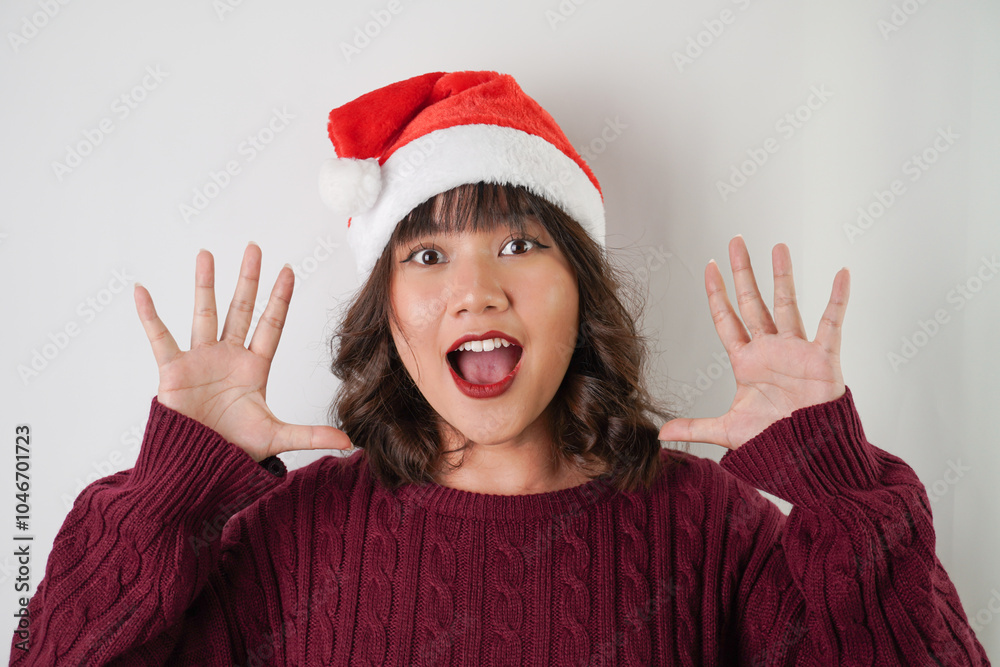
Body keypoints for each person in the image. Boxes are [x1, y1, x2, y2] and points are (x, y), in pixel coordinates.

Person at [9, 71, 989, 666]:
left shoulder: (711, 532)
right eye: (427, 256)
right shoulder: (285, 540)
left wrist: (836, 486)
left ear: (582, 294)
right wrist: (167, 497)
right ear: (387, 310)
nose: (473, 291)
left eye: (519, 245)